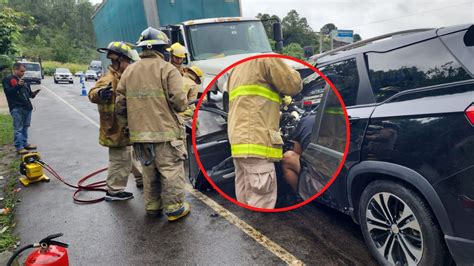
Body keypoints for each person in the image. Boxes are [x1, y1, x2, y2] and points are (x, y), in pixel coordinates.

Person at [116, 27, 190, 221]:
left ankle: (152, 207)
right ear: (162, 48)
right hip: (166, 133)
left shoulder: (129, 71)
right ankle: (174, 209)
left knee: (149, 172)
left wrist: (127, 126)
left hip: (140, 135)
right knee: (170, 170)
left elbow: (120, 105)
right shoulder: (168, 69)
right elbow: (179, 103)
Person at [227, 57, 302, 209]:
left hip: (239, 142)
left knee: (246, 193)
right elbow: (293, 84)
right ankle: (257, 230)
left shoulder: (236, 69)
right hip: (257, 143)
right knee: (261, 200)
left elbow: (252, 102)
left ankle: (246, 231)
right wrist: (292, 69)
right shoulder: (266, 60)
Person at [88, 41, 140, 201]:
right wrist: (100, 94)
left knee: (130, 156)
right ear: (118, 61)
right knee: (120, 160)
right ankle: (114, 191)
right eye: (127, 62)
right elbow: (93, 93)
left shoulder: (123, 77)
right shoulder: (109, 79)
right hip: (114, 129)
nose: (130, 65)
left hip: (122, 128)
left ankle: (141, 179)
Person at [2, 62, 40, 154]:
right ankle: (19, 146)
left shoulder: (25, 80)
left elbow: (29, 94)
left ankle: (25, 143)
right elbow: (9, 92)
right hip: (16, 107)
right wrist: (18, 85)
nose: (23, 73)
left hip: (27, 107)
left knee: (26, 126)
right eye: (21, 71)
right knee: (18, 128)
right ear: (15, 70)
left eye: (24, 71)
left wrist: (34, 94)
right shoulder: (7, 79)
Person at [281, 115, 316, 193]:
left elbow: (297, 151)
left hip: (319, 173)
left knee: (288, 157)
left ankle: (301, 195)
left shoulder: (307, 120)